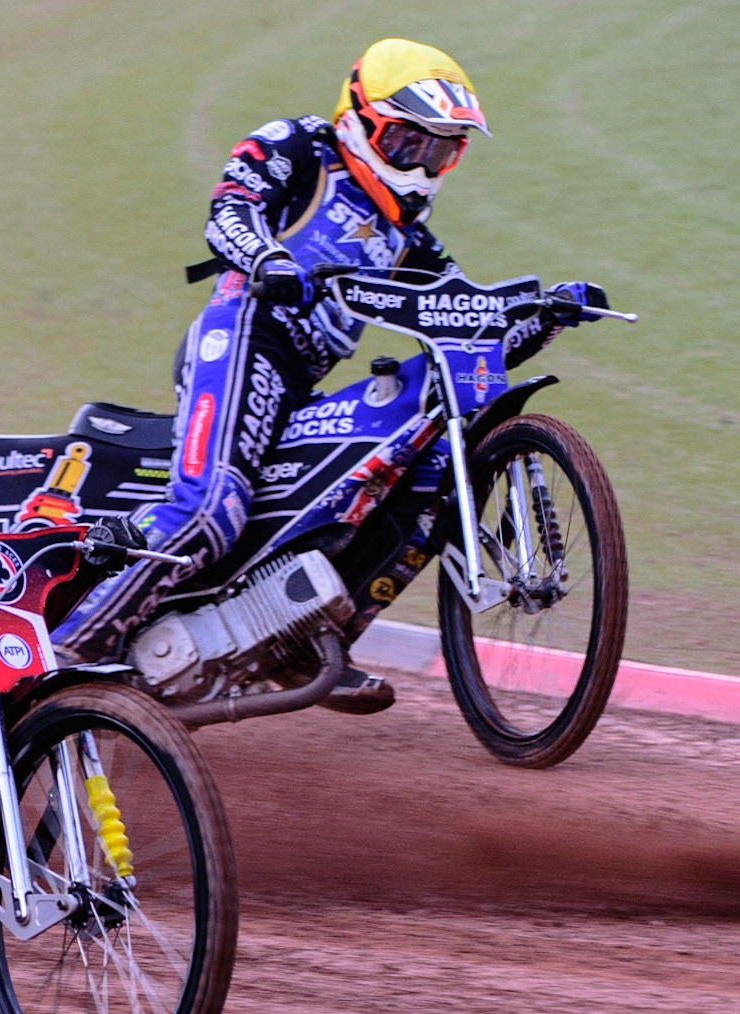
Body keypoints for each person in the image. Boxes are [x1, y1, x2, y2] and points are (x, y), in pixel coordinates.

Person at [52, 38, 607, 711]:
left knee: (399, 481)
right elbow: (229, 210)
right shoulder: (300, 146)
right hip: (244, 341)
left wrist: (545, 311)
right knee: (213, 508)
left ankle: (304, 642)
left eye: (441, 150)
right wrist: (267, 259)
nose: (423, 164)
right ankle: (66, 653)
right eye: (410, 143)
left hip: (303, 381)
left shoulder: (409, 233)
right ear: (362, 120)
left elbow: (467, 323)